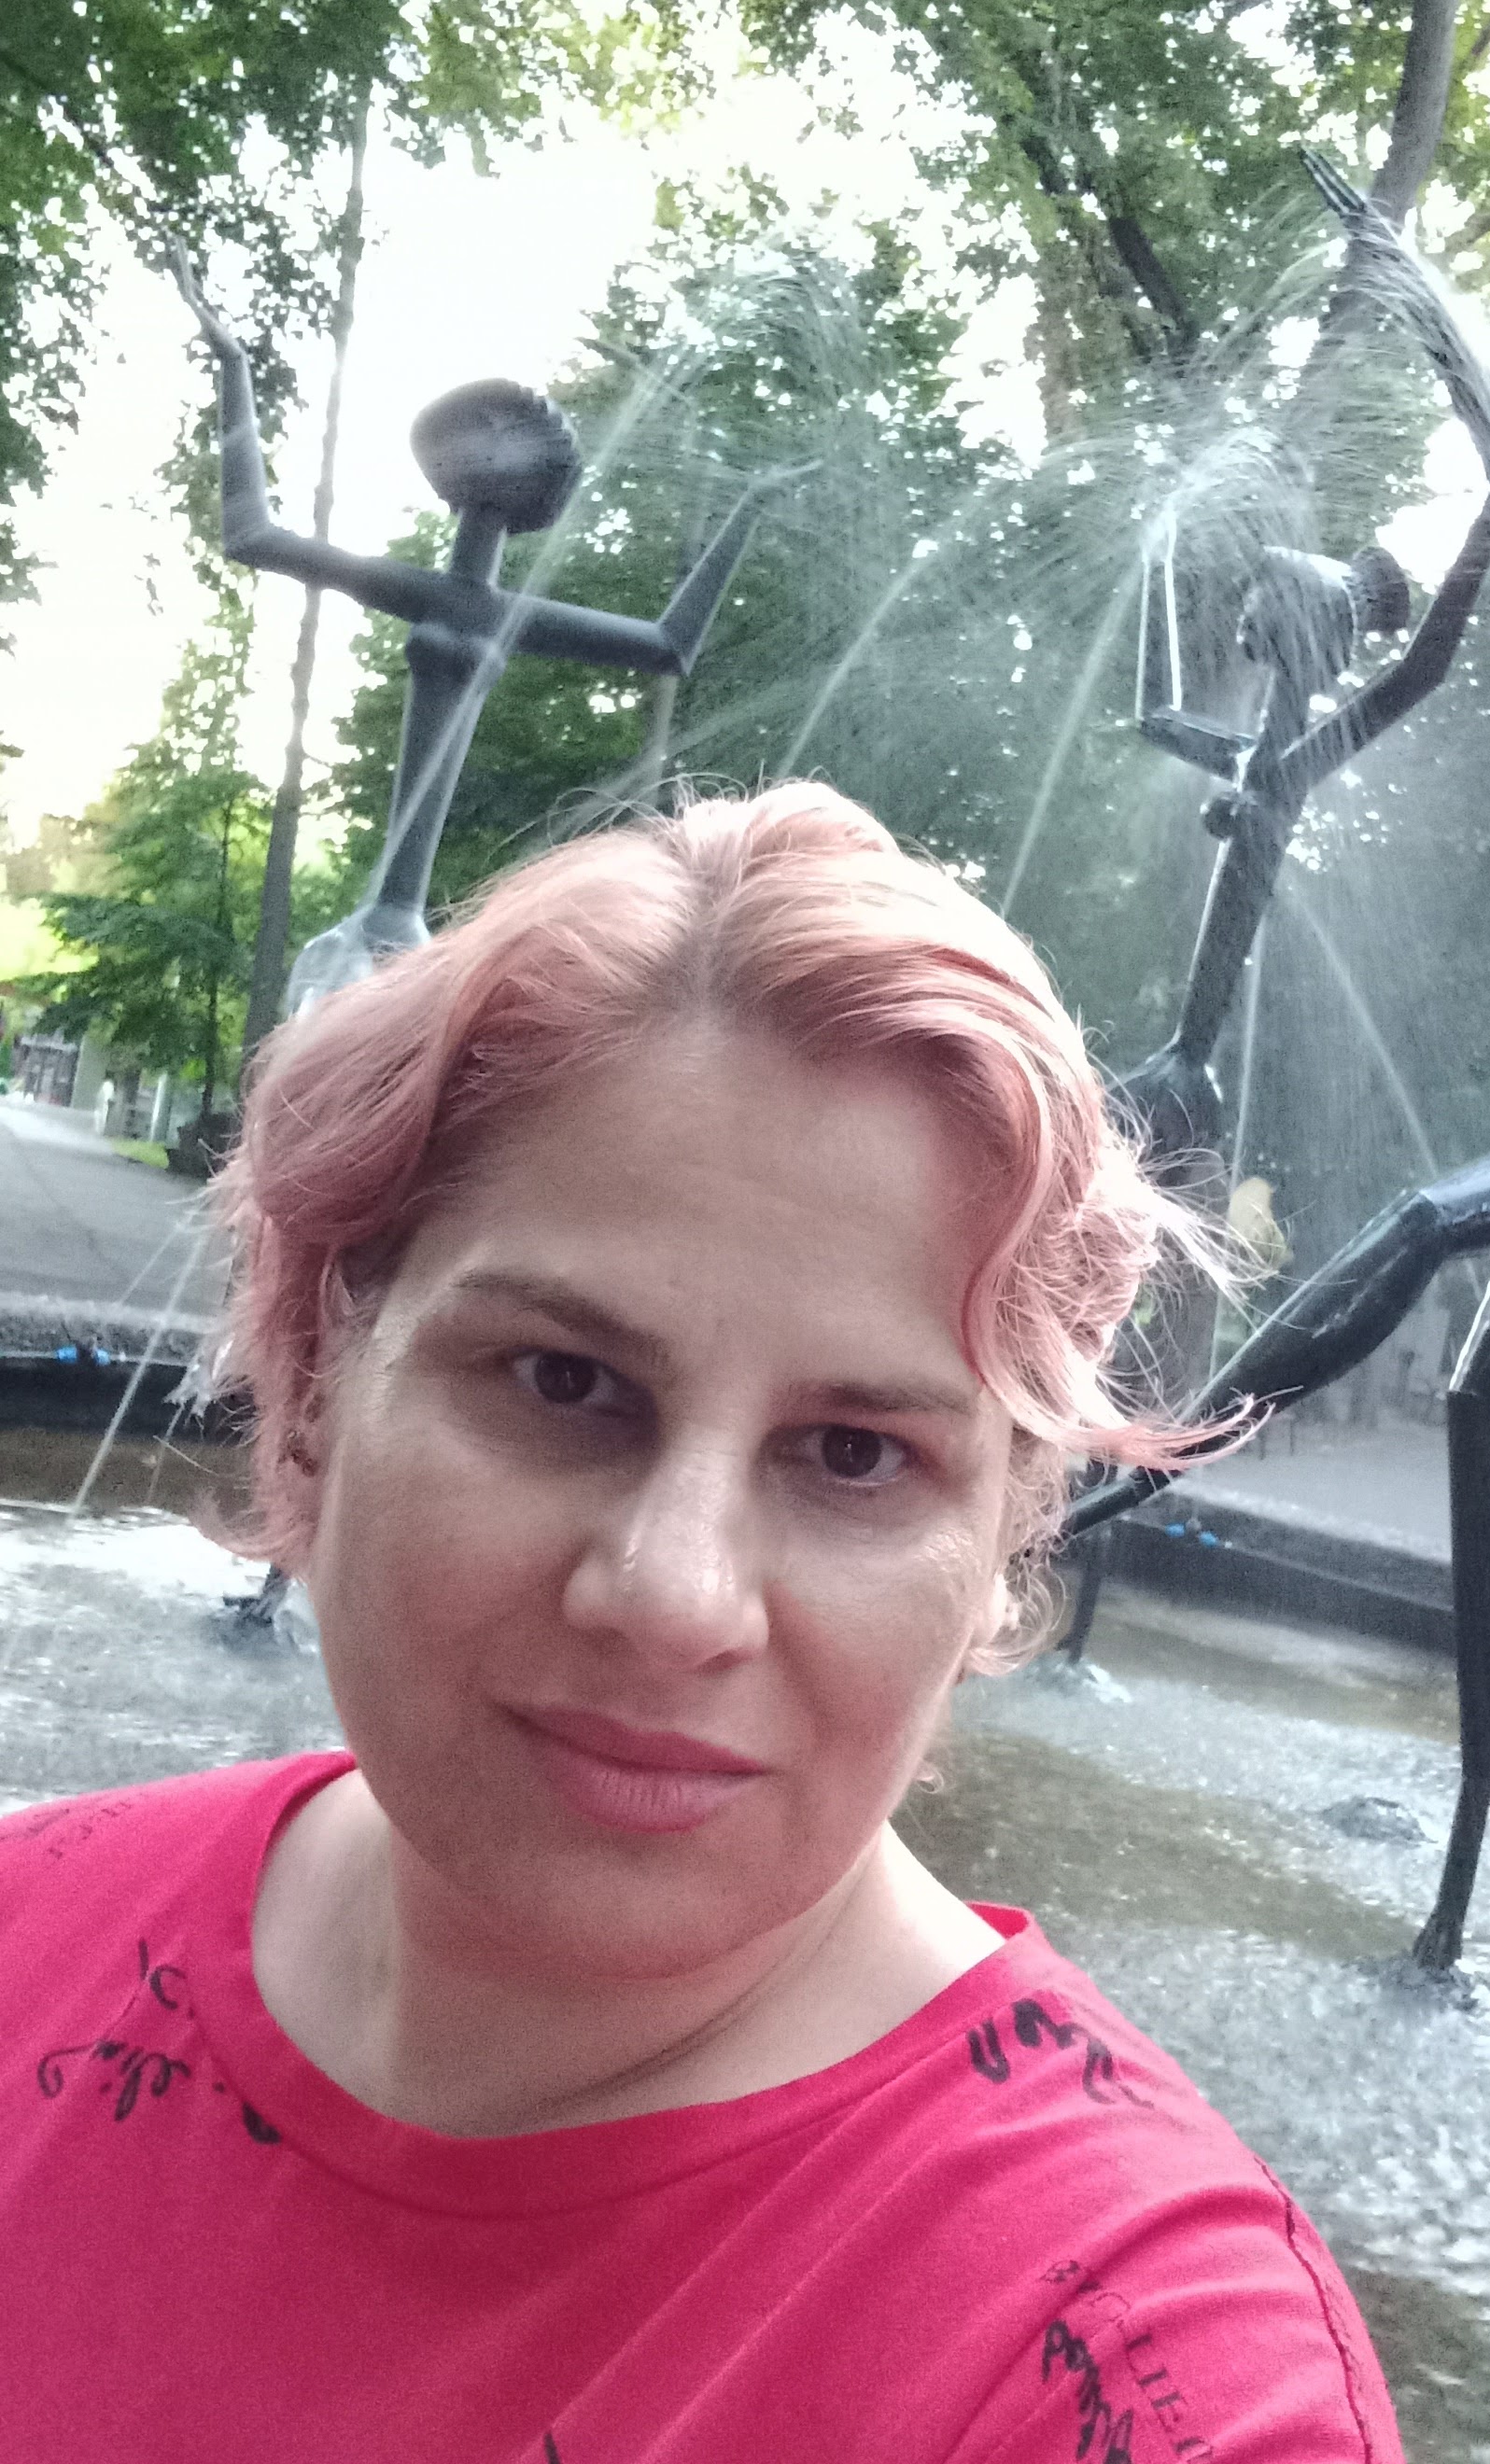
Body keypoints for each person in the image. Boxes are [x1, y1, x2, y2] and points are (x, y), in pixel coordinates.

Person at [0, 788, 1403, 2463]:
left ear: (1003, 1545)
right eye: (563, 1380)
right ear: (313, 1379)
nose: (674, 1599)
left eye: (855, 1455)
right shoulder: (25, 1934)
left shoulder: (1144, 2375)